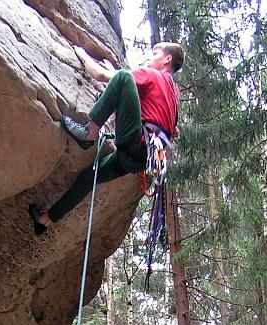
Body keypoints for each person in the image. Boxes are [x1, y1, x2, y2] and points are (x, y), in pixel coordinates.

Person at [29, 42, 184, 235]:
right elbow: (173, 130)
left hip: (136, 143)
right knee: (88, 178)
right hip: (139, 160)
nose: (149, 57)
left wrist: (83, 56)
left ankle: (88, 134)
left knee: (123, 76)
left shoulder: (153, 75)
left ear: (167, 59)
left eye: (155, 53)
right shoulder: (173, 94)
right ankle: (44, 221)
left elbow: (105, 77)